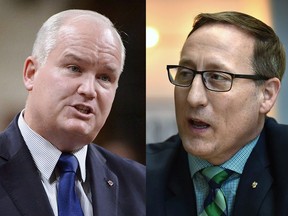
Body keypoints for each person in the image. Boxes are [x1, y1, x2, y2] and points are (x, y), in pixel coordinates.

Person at [0, 9, 145, 216]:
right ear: (31, 73)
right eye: (74, 68)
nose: (89, 89)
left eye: (104, 77)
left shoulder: (141, 185)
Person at [147, 11, 288, 216]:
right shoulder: (143, 174)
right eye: (185, 74)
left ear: (266, 94)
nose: (193, 98)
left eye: (217, 77)